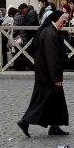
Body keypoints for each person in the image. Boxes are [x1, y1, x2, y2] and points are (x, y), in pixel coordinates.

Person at [17, 10, 70, 138]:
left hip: (45, 73)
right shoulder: (50, 33)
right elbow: (52, 57)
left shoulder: (48, 30)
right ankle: (25, 121)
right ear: (57, 19)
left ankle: (55, 126)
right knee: (43, 101)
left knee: (55, 101)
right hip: (48, 75)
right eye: (63, 21)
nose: (64, 24)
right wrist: (56, 77)